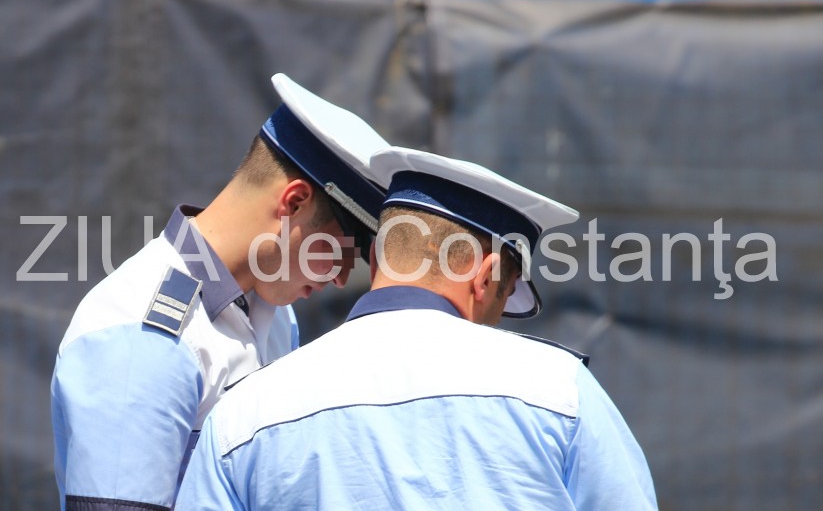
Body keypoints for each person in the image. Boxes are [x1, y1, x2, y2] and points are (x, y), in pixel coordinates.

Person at [175, 146, 658, 510]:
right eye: (505, 293)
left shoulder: (243, 415)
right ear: (486, 276)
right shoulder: (560, 392)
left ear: (380, 258)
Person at [50, 73, 392, 511]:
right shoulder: (143, 335)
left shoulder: (274, 313)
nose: (343, 278)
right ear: (293, 203)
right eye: (346, 249)